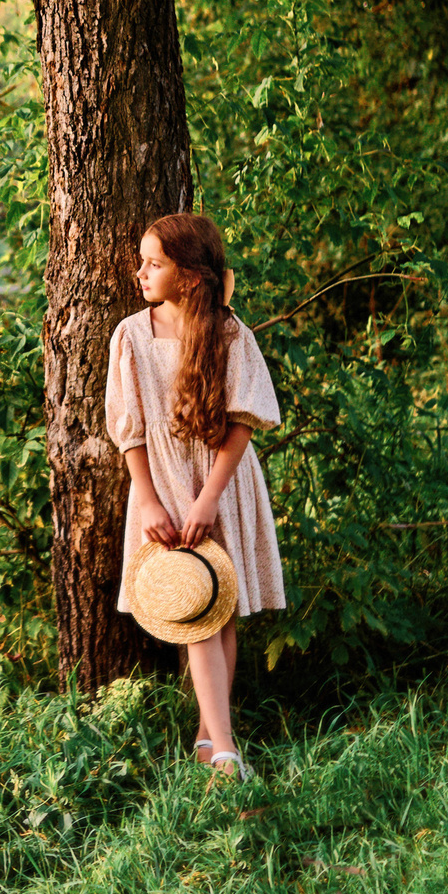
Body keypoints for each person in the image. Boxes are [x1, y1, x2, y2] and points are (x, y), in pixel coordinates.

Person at [107, 212, 286, 779]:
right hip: (160, 483)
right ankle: (220, 745)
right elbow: (129, 429)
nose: (140, 272)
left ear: (188, 277)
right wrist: (152, 499)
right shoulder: (132, 336)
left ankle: (214, 743)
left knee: (216, 604)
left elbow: (243, 422)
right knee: (199, 606)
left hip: (220, 483)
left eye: (153, 263)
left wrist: (209, 498)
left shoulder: (231, 333)